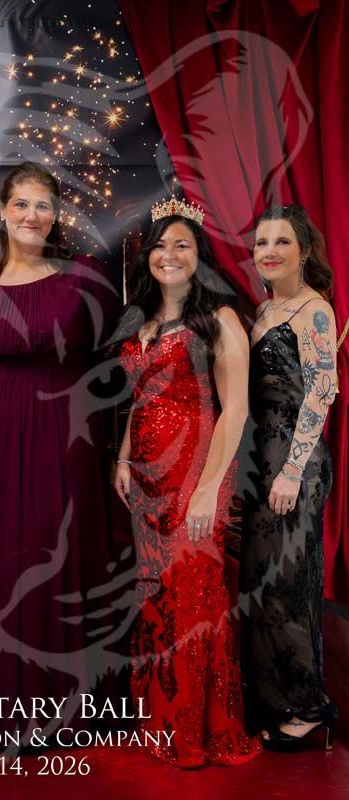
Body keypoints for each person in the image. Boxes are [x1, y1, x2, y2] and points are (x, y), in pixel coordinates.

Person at [0, 162, 118, 742]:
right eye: (22, 204)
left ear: (56, 215)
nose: (32, 216)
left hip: (60, 438)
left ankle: (55, 705)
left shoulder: (84, 277)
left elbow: (108, 367)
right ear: (3, 210)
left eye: (43, 206)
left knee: (49, 554)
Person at [114, 198, 259, 767]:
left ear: (201, 256)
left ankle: (195, 729)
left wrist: (206, 489)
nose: (169, 255)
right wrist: (124, 457)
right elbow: (140, 395)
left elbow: (236, 409)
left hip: (196, 471)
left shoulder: (219, 318)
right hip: (146, 478)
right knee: (157, 594)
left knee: (193, 595)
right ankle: (158, 718)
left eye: (183, 245)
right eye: (160, 246)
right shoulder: (143, 319)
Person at [240, 204, 338, 751]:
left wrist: (293, 472)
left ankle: (308, 707)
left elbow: (321, 394)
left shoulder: (314, 310)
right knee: (262, 585)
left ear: (303, 251)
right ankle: (274, 699)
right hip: (263, 461)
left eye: (282, 241)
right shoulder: (264, 309)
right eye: (261, 243)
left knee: (288, 585)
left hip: (294, 464)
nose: (269, 251)